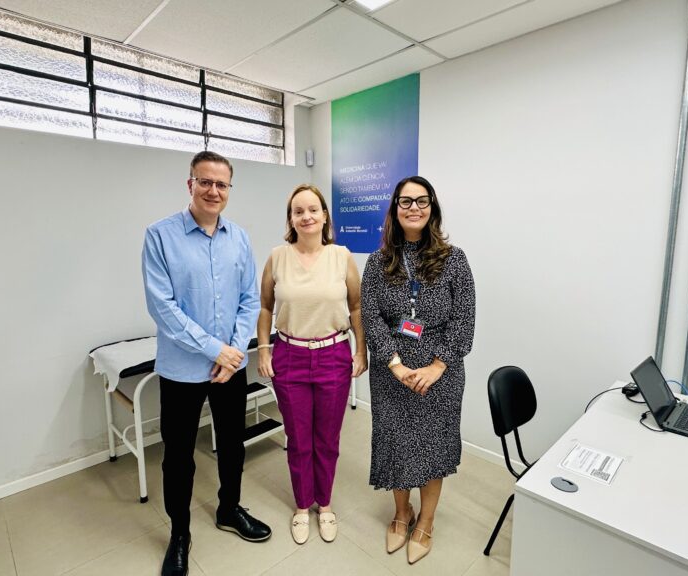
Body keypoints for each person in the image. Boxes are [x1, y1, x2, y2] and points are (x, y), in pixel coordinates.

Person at [142, 151, 272, 576]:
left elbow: (248, 299)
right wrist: (215, 350)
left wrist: (232, 353)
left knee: (232, 443)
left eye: (222, 184)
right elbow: (163, 309)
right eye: (205, 182)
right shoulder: (159, 236)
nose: (213, 190)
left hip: (229, 368)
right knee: (178, 455)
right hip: (182, 369)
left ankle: (228, 509)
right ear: (190, 184)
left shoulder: (240, 238)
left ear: (229, 190)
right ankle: (180, 533)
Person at [360, 176, 476, 564]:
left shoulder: (454, 260)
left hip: (440, 372)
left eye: (422, 201)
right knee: (395, 442)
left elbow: (464, 320)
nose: (414, 207)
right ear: (394, 208)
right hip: (391, 370)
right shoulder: (377, 263)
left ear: (433, 209)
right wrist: (393, 362)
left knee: (432, 448)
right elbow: (371, 316)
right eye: (405, 201)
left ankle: (425, 521)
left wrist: (438, 365)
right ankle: (401, 512)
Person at [256, 184, 367, 545]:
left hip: (334, 354)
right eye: (298, 211)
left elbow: (355, 308)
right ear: (291, 218)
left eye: (313, 210)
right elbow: (266, 308)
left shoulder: (341, 256)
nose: (306, 216)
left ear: (324, 216)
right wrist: (263, 349)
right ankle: (303, 506)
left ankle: (326, 505)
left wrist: (361, 350)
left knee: (327, 438)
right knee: (299, 437)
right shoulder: (277, 257)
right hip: (290, 355)